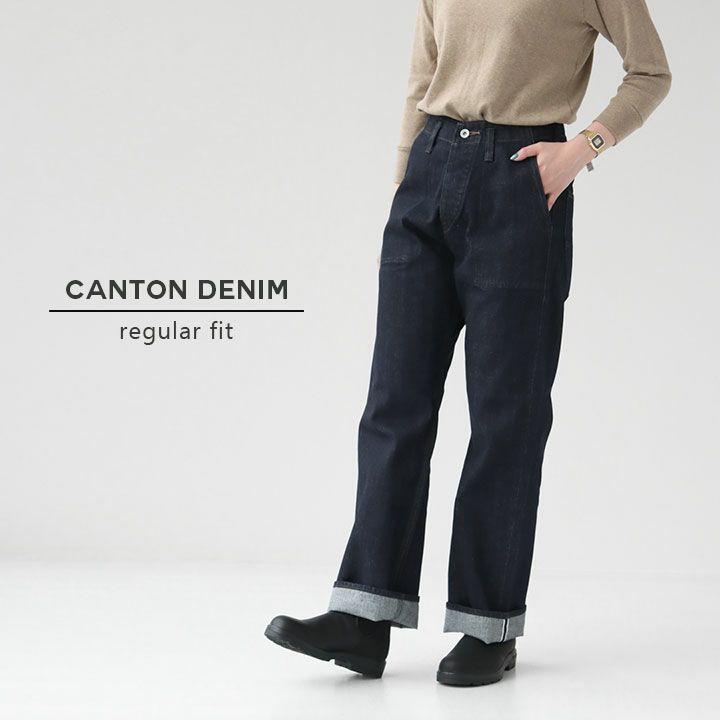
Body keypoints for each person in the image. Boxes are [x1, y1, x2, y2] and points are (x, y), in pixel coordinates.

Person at [265, 0, 671, 686]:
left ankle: (488, 625)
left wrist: (582, 151)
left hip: (522, 180)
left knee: (505, 419)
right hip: (427, 177)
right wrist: (403, 190)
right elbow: (421, 78)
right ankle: (363, 616)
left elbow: (651, 72)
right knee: (393, 408)